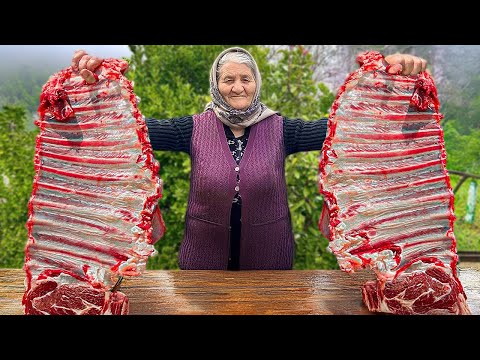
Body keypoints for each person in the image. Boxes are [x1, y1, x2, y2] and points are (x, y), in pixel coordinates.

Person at [71, 46, 428, 271]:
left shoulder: (281, 129)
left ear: (257, 82)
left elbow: (347, 128)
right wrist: (96, 87)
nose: (237, 87)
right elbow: (126, 130)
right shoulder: (191, 129)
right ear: (216, 83)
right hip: (202, 268)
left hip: (270, 266)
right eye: (228, 79)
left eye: (246, 78)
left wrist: (391, 82)